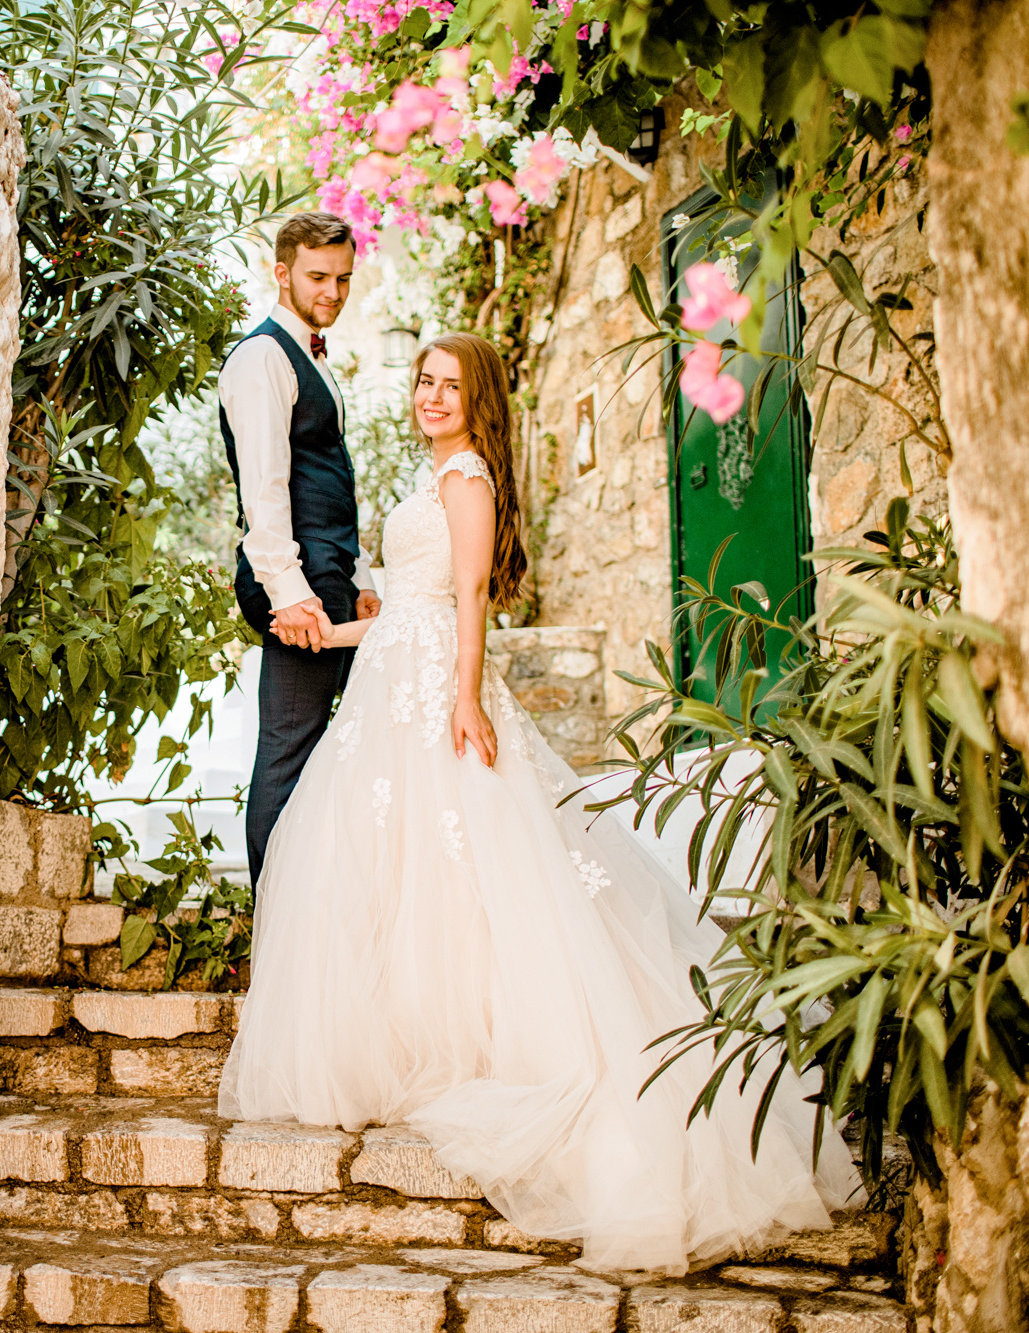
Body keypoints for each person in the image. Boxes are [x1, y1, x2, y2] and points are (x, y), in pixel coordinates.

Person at [218, 331, 860, 1276]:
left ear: (478, 399)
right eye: (425, 382)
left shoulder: (467, 475)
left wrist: (466, 698)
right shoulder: (436, 473)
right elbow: (411, 611)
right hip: (395, 681)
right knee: (406, 865)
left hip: (441, 692)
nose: (433, 397)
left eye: (451, 385)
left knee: (482, 860)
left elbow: (471, 596)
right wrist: (326, 631)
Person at [219, 212, 381, 887]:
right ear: (281, 272)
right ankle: (274, 926)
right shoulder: (262, 357)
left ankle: (316, 917)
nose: (332, 292)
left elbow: (328, 481)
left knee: (325, 756)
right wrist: (289, 594)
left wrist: (359, 576)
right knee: (289, 755)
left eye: (343, 279)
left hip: (327, 578)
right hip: (298, 589)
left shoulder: (308, 355)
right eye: (318, 277)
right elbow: (265, 487)